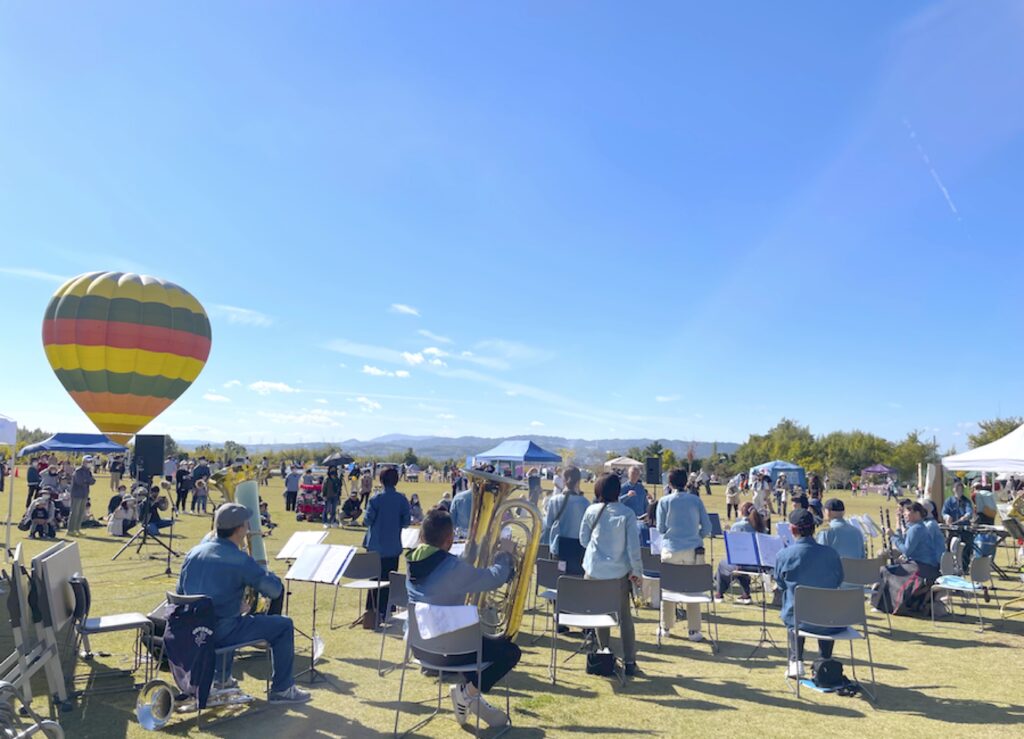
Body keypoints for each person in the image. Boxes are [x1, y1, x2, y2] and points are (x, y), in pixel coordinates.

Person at [177, 503, 310, 703]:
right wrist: (264, 570)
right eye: (247, 523)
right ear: (240, 529)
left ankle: (222, 680)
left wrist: (231, 605)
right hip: (221, 631)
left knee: (231, 617)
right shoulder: (240, 559)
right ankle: (283, 688)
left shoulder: (194, 552)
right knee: (283, 625)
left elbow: (181, 592)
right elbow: (274, 590)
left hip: (192, 630)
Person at [406, 508, 520, 728]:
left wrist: (471, 553)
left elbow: (445, 573)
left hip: (420, 647)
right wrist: (505, 556)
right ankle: (467, 694)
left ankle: (472, 697)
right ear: (449, 539)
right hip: (451, 651)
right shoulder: (452, 568)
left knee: (474, 646)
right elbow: (493, 578)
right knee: (510, 652)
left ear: (421, 536)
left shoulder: (413, 562)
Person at [580, 473, 643, 676]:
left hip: (594, 571)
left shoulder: (592, 510)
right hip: (618, 573)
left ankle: (604, 653)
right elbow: (634, 548)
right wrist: (637, 571)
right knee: (625, 617)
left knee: (601, 614)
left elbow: (583, 539)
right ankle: (630, 660)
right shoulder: (627, 514)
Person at [774, 509, 845, 678]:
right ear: (814, 528)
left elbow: (780, 583)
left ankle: (796, 660)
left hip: (798, 618)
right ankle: (825, 658)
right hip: (831, 620)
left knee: (793, 603)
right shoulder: (831, 553)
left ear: (792, 529)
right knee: (823, 604)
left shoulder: (784, 555)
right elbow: (838, 580)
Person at [655, 468, 713, 641]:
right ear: (686, 481)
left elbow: (660, 528)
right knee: (692, 590)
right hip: (693, 550)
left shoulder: (664, 501)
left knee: (668, 590)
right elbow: (707, 527)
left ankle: (665, 626)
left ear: (670, 483)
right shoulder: (695, 501)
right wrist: (696, 537)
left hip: (671, 549)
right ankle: (694, 630)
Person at [363, 467, 411, 622]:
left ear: (381, 480)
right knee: (389, 580)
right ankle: (387, 610)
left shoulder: (375, 499)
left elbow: (367, 520)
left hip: (375, 546)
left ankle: (371, 611)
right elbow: (406, 522)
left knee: (374, 581)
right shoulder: (402, 499)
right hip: (393, 547)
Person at [541, 466, 590, 577]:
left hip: (559, 548)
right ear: (578, 481)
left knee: (560, 579)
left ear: (563, 480)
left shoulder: (554, 500)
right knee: (577, 580)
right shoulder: (585, 503)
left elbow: (548, 523)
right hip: (579, 549)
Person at [715, 502, 764, 604]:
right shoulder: (761, 526)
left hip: (742, 564)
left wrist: (729, 532)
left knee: (722, 565)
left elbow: (734, 548)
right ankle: (746, 595)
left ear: (741, 512)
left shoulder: (738, 526)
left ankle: (719, 593)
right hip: (758, 565)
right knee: (738, 567)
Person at [943, 481, 974, 569]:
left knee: (966, 546)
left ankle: (964, 566)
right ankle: (949, 566)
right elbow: (944, 512)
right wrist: (947, 516)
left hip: (964, 528)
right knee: (949, 546)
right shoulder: (949, 501)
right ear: (953, 490)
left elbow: (969, 511)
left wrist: (966, 516)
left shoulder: (966, 501)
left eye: (961, 489)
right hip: (952, 528)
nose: (959, 491)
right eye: (957, 489)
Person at [67, 456, 96, 535]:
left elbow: (93, 481)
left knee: (81, 512)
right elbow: (79, 481)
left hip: (84, 493)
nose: (89, 463)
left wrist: (87, 480)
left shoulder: (88, 471)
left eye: (91, 462)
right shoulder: (78, 471)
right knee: (74, 512)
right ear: (84, 462)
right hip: (76, 494)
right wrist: (87, 480)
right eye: (88, 461)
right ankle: (70, 530)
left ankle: (77, 529)